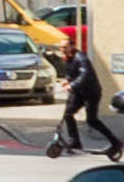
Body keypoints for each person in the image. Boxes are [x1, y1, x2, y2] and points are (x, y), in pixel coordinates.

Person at [49, 21, 118, 162]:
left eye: (64, 47)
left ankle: (115, 142)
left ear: (72, 46)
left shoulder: (81, 58)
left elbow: (85, 74)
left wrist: (72, 85)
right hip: (79, 92)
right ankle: (75, 141)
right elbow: (71, 73)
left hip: (91, 93)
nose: (62, 50)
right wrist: (67, 80)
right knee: (68, 115)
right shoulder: (69, 58)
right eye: (61, 47)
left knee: (92, 120)